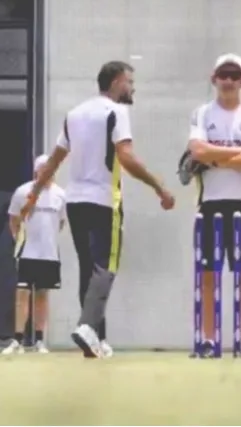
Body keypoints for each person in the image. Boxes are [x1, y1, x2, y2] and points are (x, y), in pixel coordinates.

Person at [23, 60, 176, 358]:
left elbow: (54, 160)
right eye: (130, 81)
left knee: (88, 269)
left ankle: (97, 339)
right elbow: (127, 158)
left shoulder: (75, 114)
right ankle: (89, 326)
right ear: (117, 81)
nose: (133, 88)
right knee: (106, 266)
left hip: (76, 201)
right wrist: (159, 186)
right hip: (105, 200)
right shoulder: (117, 112)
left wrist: (33, 195)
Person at [185, 54, 241, 359]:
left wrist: (215, 155)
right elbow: (196, 150)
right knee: (208, 274)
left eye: (235, 75)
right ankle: (208, 340)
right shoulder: (202, 113)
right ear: (214, 78)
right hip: (209, 204)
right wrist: (238, 154)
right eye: (224, 75)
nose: (229, 81)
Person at [3, 154, 67, 355]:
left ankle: (39, 341)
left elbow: (62, 222)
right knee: (22, 294)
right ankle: (18, 340)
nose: (48, 173)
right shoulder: (23, 192)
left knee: (42, 295)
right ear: (36, 171)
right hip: (27, 252)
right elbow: (13, 218)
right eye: (43, 169)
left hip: (49, 254)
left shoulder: (61, 195)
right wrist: (19, 240)